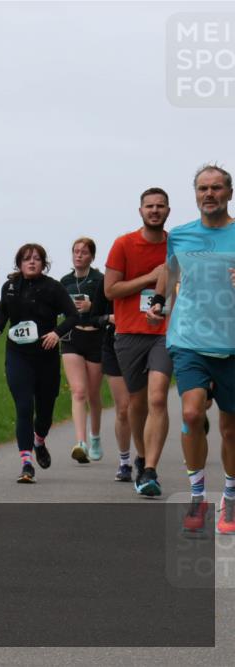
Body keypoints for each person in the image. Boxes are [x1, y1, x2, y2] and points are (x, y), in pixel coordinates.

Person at [147, 164, 235, 535]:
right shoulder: (180, 236)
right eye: (202, 188)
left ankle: (229, 499)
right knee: (191, 412)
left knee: (230, 429)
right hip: (189, 340)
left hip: (231, 343)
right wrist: (158, 300)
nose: (209, 194)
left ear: (229, 193)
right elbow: (170, 271)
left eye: (216, 188)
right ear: (196, 194)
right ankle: (198, 496)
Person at [0, 244, 79, 482]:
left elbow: (73, 315)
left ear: (43, 263)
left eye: (37, 259)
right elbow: (3, 312)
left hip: (45, 357)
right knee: (24, 407)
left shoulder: (53, 287)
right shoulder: (10, 287)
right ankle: (26, 463)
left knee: (45, 412)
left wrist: (56, 333)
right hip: (18, 355)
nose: (32, 262)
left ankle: (39, 440)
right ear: (19, 263)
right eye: (27, 259)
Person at [104, 187, 171, 497]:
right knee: (137, 402)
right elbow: (111, 291)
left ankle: (150, 470)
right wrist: (150, 277)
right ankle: (141, 456)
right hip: (129, 333)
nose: (154, 211)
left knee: (158, 398)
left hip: (166, 333)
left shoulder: (176, 244)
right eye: (149, 206)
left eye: (160, 206)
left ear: (168, 211)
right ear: (140, 211)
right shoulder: (123, 244)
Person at [59, 238, 110, 463]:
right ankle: (80, 443)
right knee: (78, 391)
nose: (79, 255)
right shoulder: (65, 281)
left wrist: (92, 307)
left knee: (92, 394)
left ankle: (95, 437)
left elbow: (110, 310)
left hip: (96, 336)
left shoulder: (100, 280)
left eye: (84, 252)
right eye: (76, 251)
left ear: (92, 256)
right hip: (72, 337)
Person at [101, 302, 135, 482]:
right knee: (123, 409)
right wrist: (107, 318)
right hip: (114, 345)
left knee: (143, 407)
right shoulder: (107, 283)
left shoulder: (156, 278)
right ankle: (125, 461)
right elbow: (91, 317)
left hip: (145, 344)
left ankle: (146, 462)